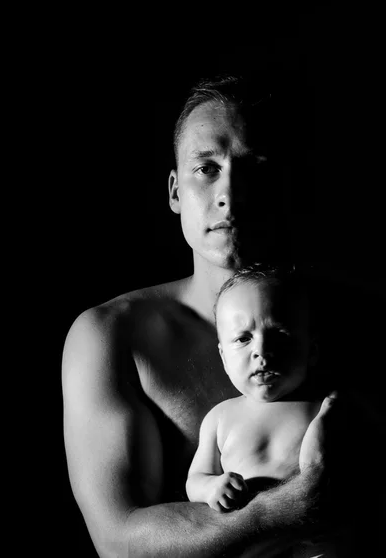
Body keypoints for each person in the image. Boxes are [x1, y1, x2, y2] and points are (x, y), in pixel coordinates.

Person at [62, 75, 342, 558]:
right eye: (206, 168)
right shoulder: (112, 336)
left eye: (254, 171)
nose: (229, 194)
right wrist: (283, 509)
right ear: (175, 191)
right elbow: (118, 540)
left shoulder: (355, 325)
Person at [186, 265, 338, 557]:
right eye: (243, 338)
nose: (262, 350)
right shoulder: (220, 418)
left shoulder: (325, 407)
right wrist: (212, 488)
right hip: (252, 545)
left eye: (279, 335)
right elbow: (196, 478)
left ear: (311, 350)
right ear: (223, 358)